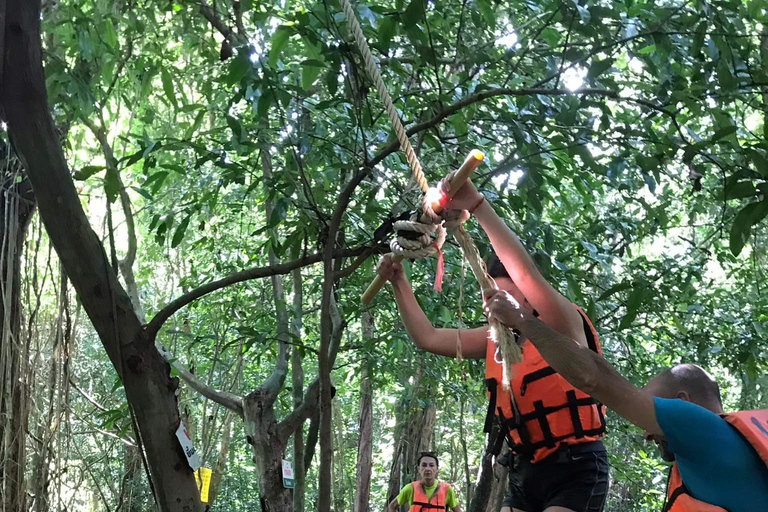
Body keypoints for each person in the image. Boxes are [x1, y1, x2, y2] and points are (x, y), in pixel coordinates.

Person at [377, 175, 609, 512]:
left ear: (531, 298)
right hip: (526, 471)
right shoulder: (494, 340)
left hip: (576, 468)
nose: (497, 305)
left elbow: (528, 274)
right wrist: (398, 282)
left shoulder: (564, 323)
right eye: (493, 295)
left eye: (510, 297)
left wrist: (477, 206)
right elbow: (426, 337)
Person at [483, 289, 768, 512]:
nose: (645, 433)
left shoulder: (700, 427)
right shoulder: (716, 454)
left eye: (651, 412)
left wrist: (522, 319)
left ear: (683, 402)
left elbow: (593, 378)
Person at [387, 452, 462, 512]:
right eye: (424, 465)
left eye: (431, 465)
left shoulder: (446, 489)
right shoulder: (410, 488)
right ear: (419, 469)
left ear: (437, 469)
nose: (428, 469)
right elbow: (392, 507)